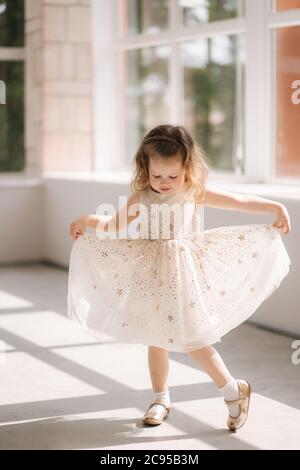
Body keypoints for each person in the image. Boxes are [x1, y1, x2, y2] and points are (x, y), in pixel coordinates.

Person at [68, 124, 291, 431]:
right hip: (150, 276)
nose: (164, 183)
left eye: (172, 176)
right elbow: (114, 225)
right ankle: (160, 398)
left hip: (182, 277)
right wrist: (89, 220)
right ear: (145, 168)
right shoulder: (141, 197)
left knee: (193, 339)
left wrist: (275, 207)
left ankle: (233, 390)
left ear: (187, 169)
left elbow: (237, 201)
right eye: (157, 175)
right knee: (154, 340)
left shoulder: (192, 192)